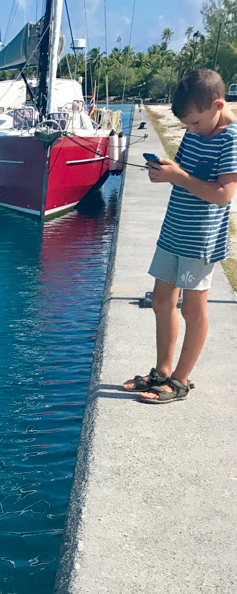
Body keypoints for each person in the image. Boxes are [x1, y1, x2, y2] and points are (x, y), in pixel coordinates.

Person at [123, 70, 237, 403]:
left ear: (217, 105)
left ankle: (181, 380)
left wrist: (180, 177)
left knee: (192, 309)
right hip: (174, 230)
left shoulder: (230, 137)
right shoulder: (198, 128)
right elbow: (183, 171)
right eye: (186, 126)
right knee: (161, 301)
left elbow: (223, 194)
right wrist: (164, 172)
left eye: (195, 124)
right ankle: (162, 371)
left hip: (199, 239)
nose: (191, 131)